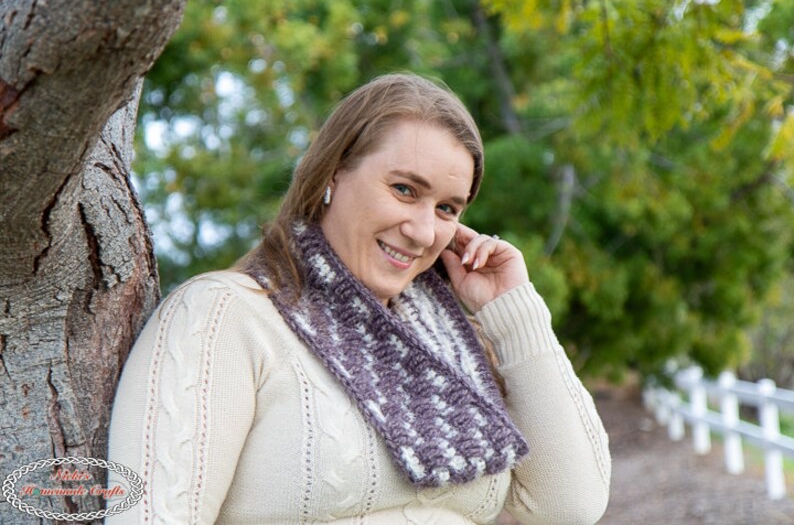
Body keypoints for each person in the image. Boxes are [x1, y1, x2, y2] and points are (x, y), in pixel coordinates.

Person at [106, 73, 611, 525]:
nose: (422, 230)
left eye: (447, 208)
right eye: (405, 190)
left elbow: (569, 507)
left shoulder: (455, 350)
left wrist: (514, 312)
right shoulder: (224, 316)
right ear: (333, 173)